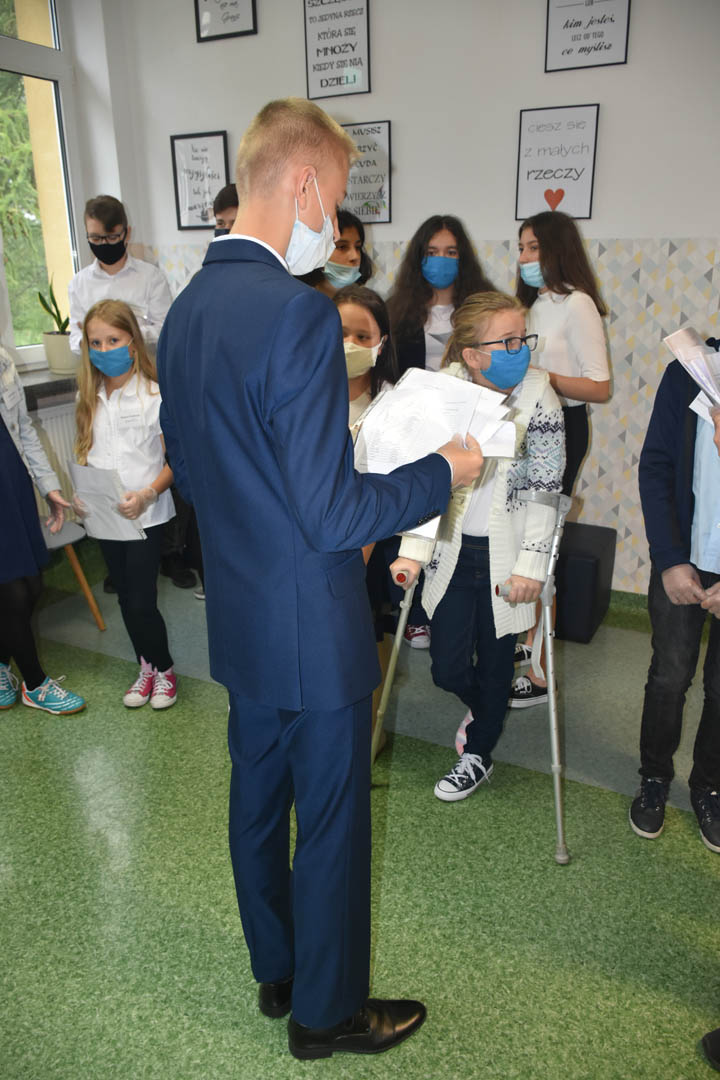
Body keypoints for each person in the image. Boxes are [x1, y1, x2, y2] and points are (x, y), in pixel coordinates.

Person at [156, 97, 484, 1060]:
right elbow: (334, 514)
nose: (334, 225)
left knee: (257, 801)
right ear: (302, 183)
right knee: (332, 822)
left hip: (242, 613)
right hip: (312, 615)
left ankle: (278, 970)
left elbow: (197, 472)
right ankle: (326, 1013)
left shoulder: (187, 309)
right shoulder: (298, 315)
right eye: (334, 202)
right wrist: (442, 471)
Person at [390, 292, 565, 802]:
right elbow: (423, 479)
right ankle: (489, 705)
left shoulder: (540, 397)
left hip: (507, 559)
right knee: (445, 667)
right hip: (452, 550)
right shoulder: (443, 394)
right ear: (471, 354)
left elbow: (546, 488)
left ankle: (478, 753)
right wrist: (412, 551)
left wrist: (533, 565)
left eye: (523, 338)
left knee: (494, 660)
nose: (520, 349)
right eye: (507, 342)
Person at [510, 209, 611, 706]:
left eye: (534, 248)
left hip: (564, 427)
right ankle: (527, 640)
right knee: (522, 536)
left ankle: (541, 672)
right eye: (521, 248)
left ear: (557, 249)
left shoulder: (578, 304)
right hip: (525, 426)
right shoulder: (529, 307)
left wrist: (542, 376)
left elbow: (600, 387)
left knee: (544, 543)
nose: (525, 257)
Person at [387, 215, 496, 649]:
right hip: (415, 430)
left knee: (457, 523)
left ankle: (453, 616)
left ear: (463, 258)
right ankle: (415, 613)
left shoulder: (481, 309)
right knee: (416, 519)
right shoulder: (399, 310)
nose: (441, 260)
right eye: (432, 252)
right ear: (418, 258)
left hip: (466, 430)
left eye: (451, 252)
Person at [629, 351, 720, 853]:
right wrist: (668, 559)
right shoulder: (688, 373)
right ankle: (654, 777)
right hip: (681, 558)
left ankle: (709, 786)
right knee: (670, 674)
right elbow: (657, 467)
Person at [75, 300, 177, 710]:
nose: (104, 349)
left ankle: (165, 670)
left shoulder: (154, 395)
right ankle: (145, 666)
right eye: (96, 342)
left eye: (113, 340)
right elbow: (86, 455)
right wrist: (81, 494)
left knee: (141, 601)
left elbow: (174, 461)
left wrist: (148, 493)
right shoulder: (89, 397)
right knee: (123, 598)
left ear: (132, 342)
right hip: (105, 518)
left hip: (145, 516)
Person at [0, 341, 86, 715]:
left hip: (11, 483)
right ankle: (35, 684)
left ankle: (0, 664)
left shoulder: (2, 359)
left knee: (32, 584)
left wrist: (48, 487)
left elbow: (23, 430)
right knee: (12, 591)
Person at [68, 195, 173, 355]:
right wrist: (90, 339)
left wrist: (122, 334)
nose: (103, 244)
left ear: (127, 233)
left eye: (112, 237)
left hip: (142, 367)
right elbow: (75, 338)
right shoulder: (78, 283)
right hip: (98, 369)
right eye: (95, 238)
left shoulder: (151, 277)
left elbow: (166, 329)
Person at [296, 208, 374, 295]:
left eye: (357, 247)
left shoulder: (367, 301)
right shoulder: (298, 300)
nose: (355, 256)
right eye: (342, 247)